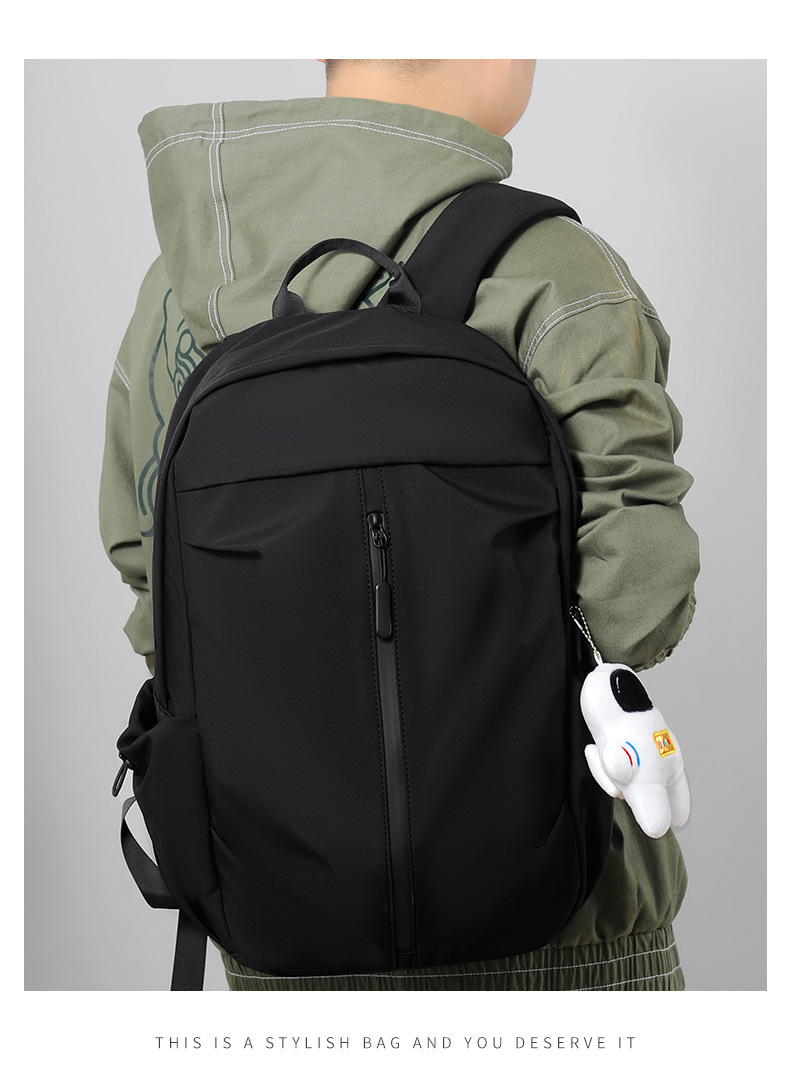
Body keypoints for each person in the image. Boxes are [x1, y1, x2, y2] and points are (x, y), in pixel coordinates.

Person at [100, 59, 700, 991]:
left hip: (276, 930)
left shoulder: (178, 292)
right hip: (561, 933)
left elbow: (151, 585)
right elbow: (641, 601)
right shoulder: (553, 268)